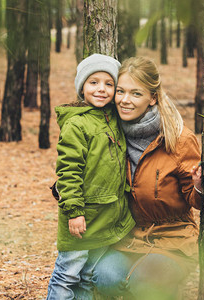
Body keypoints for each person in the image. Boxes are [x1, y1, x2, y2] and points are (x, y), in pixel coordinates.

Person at [92, 56, 203, 299]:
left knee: (145, 283)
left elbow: (198, 202)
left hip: (174, 240)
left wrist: (199, 186)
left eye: (135, 94)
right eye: (120, 91)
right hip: (129, 239)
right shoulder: (110, 134)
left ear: (152, 98)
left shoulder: (179, 140)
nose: (124, 100)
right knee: (104, 277)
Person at [46, 54, 135, 300]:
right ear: (82, 87)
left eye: (109, 84)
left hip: (104, 217)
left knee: (86, 277)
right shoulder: (76, 124)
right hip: (81, 218)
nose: (101, 89)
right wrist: (74, 211)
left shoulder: (113, 118)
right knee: (67, 275)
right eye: (93, 82)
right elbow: (68, 171)